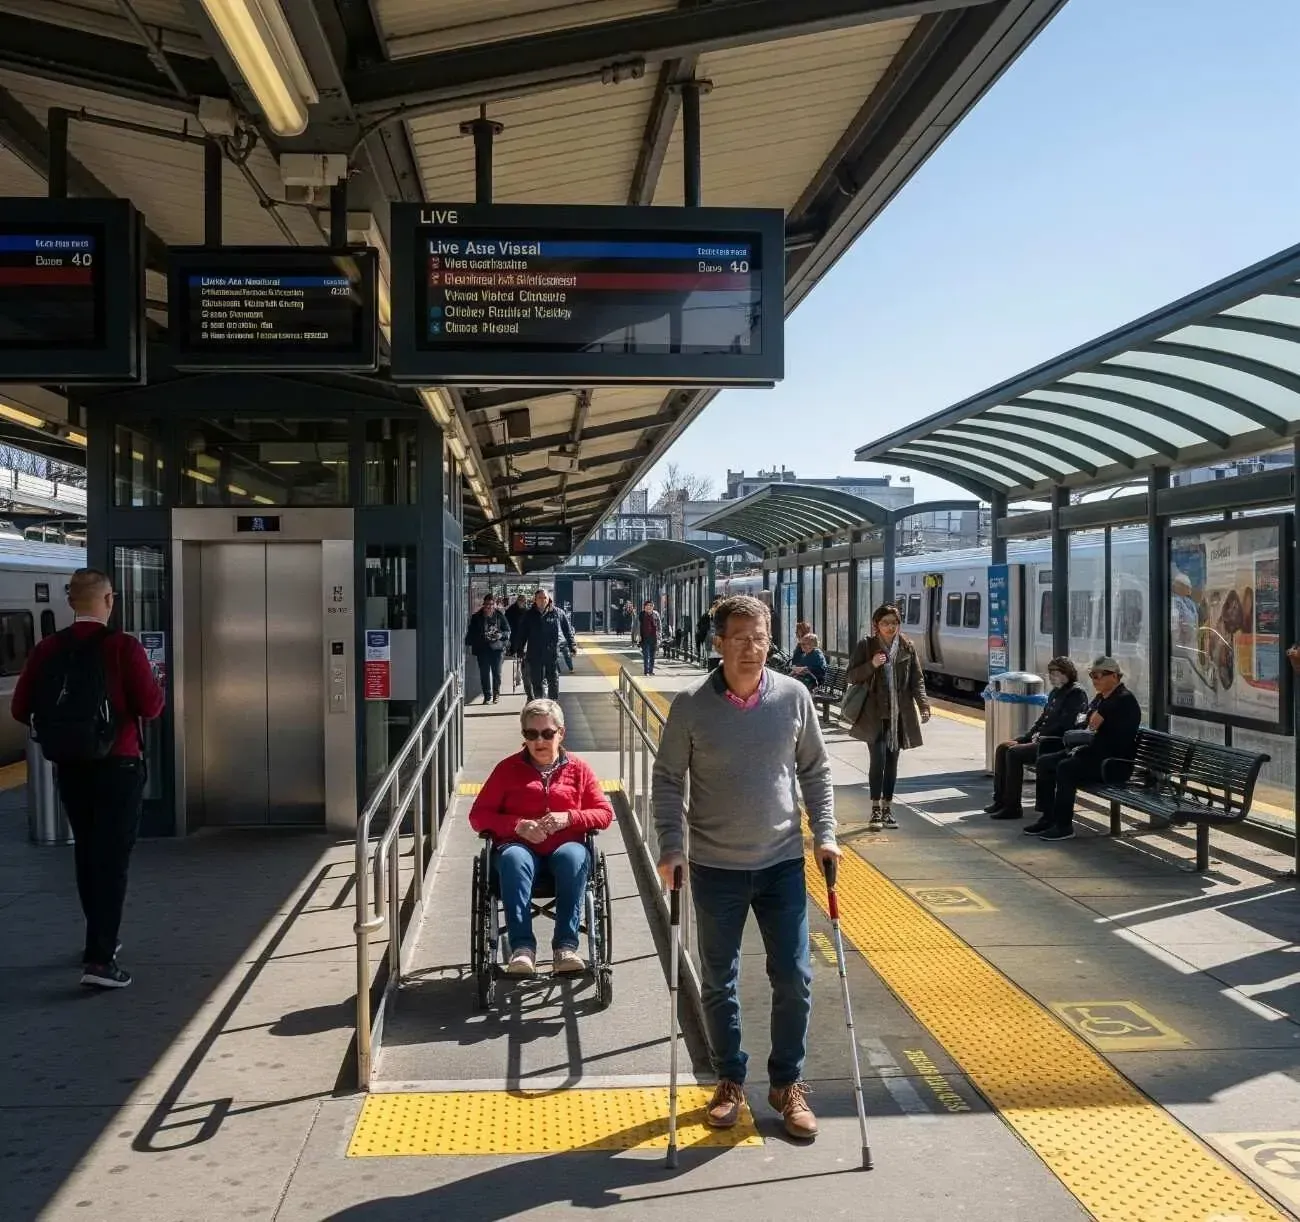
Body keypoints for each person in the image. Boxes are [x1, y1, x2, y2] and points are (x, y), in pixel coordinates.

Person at [653, 594, 837, 1141]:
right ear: (718, 644)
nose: (753, 650)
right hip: (714, 865)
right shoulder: (690, 705)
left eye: (761, 639)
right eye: (740, 639)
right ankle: (730, 1078)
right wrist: (670, 846)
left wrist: (825, 835)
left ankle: (787, 1084)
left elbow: (816, 772)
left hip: (782, 860)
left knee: (795, 977)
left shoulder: (794, 697)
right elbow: (668, 780)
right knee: (718, 981)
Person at [11, 568, 164, 989]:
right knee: (112, 860)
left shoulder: (47, 649)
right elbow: (150, 707)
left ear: (70, 601)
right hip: (119, 766)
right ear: (109, 600)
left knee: (88, 853)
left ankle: (100, 940)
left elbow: (20, 709)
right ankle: (100, 959)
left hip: (71, 767)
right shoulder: (123, 648)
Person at [469, 699, 613, 974]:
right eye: (531, 734)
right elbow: (478, 816)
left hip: (565, 848)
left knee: (573, 857)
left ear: (561, 733)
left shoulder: (578, 769)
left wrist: (569, 817)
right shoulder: (507, 770)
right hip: (520, 850)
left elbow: (604, 814)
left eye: (547, 733)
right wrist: (517, 825)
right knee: (513, 857)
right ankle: (522, 949)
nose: (539, 741)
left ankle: (566, 948)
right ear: (524, 736)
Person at [1027, 656, 1141, 841]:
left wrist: (1091, 719)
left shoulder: (1122, 699)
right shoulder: (1102, 698)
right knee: (1045, 762)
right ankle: (1048, 817)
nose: (1095, 680)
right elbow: (1086, 720)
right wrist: (1090, 720)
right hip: (1092, 753)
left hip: (1112, 763)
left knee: (1066, 768)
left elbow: (1092, 724)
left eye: (1099, 675)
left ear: (1114, 676)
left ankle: (1064, 826)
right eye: (1092, 675)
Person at [845, 603, 931, 831]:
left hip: (898, 715)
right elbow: (852, 676)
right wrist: (872, 665)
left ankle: (887, 808)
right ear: (876, 625)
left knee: (892, 761)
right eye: (885, 623)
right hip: (874, 714)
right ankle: (874, 809)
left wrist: (923, 704)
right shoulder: (867, 645)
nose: (890, 627)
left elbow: (916, 679)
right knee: (879, 759)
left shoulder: (907, 647)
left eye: (894, 623)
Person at [984, 656, 1087, 820]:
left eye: (1056, 673)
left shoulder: (1075, 693)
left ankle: (1013, 806)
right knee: (1003, 747)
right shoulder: (1055, 692)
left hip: (1053, 742)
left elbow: (1066, 723)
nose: (1052, 677)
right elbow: (1042, 719)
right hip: (1041, 738)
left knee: (1014, 753)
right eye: (1051, 673)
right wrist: (1027, 737)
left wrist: (1042, 736)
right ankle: (1000, 800)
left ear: (1067, 673)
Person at [519, 588, 576, 701]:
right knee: (536, 680)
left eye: (545, 597)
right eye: (540, 598)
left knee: (553, 679)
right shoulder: (529, 615)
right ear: (535, 600)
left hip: (552, 653)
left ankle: (553, 702)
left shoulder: (558, 613)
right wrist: (519, 649)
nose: (543, 600)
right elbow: (522, 633)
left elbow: (567, 630)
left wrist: (572, 645)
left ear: (549, 599)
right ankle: (540, 702)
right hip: (534, 653)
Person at [465, 594, 510, 704]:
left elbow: (507, 631)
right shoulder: (476, 617)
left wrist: (500, 635)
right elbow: (471, 633)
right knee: (484, 673)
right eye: (487, 604)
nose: (489, 607)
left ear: (494, 605)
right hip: (483, 648)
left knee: (497, 673)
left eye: (491, 604)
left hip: (497, 648)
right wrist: (479, 637)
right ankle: (487, 695)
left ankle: (496, 695)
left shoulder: (500, 615)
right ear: (483, 605)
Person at [505, 593, 532, 698]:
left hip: (524, 639)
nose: (523, 603)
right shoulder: (511, 611)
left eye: (524, 601)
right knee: (517, 659)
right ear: (518, 601)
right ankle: (517, 677)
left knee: (521, 659)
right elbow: (507, 625)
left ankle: (519, 676)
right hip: (515, 638)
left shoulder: (527, 611)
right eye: (521, 601)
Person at [638, 600, 661, 675]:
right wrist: (638, 636)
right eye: (647, 605)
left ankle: (651, 671)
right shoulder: (641, 614)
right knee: (646, 655)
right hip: (644, 637)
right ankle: (646, 671)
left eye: (651, 605)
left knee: (652, 655)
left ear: (653, 607)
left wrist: (659, 636)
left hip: (654, 637)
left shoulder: (656, 614)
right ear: (644, 607)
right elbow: (638, 626)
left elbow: (659, 626)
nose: (649, 607)